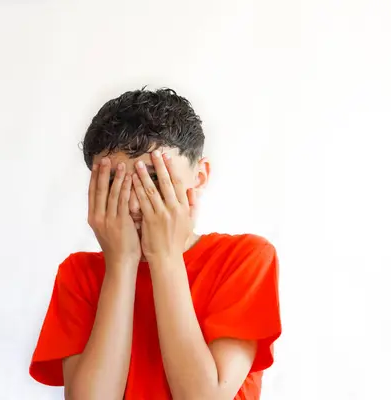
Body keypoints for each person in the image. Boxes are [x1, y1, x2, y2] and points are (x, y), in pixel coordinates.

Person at [29, 88, 282, 400]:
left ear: (199, 176)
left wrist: (164, 256)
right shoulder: (80, 274)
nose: (135, 204)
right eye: (114, 183)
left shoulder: (244, 259)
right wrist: (121, 264)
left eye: (153, 180)